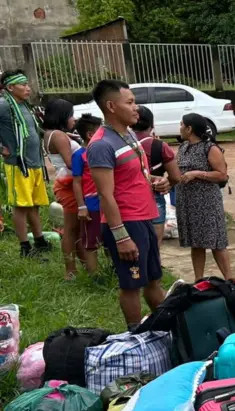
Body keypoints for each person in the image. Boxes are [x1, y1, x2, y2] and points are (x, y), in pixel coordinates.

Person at [89, 79, 170, 328]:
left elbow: (134, 176)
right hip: (126, 224)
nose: (137, 108)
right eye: (130, 102)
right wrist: (121, 237)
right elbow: (105, 195)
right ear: (111, 106)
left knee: (154, 280)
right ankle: (135, 336)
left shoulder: (128, 134)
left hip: (144, 218)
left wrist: (157, 181)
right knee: (131, 285)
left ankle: (169, 328)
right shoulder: (101, 145)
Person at [171, 113, 232, 281]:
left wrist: (197, 174)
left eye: (182, 125)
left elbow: (222, 175)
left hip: (207, 203)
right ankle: (199, 281)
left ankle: (230, 281)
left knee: (216, 242)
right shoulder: (183, 147)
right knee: (196, 243)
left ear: (189, 129)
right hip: (188, 202)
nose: (180, 128)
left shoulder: (210, 148)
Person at [1, 69, 51, 258]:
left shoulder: (24, 106)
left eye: (27, 84)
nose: (28, 88)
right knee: (21, 206)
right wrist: (1, 148)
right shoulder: (4, 105)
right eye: (23, 85)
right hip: (18, 164)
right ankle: (25, 247)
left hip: (35, 163)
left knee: (34, 205)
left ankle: (40, 241)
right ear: (10, 87)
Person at [42, 99, 85, 279]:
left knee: (76, 230)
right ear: (62, 115)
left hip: (66, 182)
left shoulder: (52, 134)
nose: (73, 119)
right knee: (70, 230)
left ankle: (86, 267)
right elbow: (70, 163)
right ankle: (70, 271)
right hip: (69, 184)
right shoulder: (58, 135)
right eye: (70, 115)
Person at [134, 106, 181, 246]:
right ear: (152, 124)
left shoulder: (121, 143)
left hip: (128, 199)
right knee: (154, 245)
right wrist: (166, 185)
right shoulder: (160, 146)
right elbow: (176, 177)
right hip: (154, 197)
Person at [70, 114, 103, 276]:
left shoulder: (105, 151)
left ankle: (114, 272)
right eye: (101, 132)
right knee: (91, 243)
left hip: (109, 203)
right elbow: (76, 182)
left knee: (111, 240)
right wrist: (82, 206)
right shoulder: (79, 155)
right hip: (92, 205)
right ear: (90, 135)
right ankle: (94, 277)